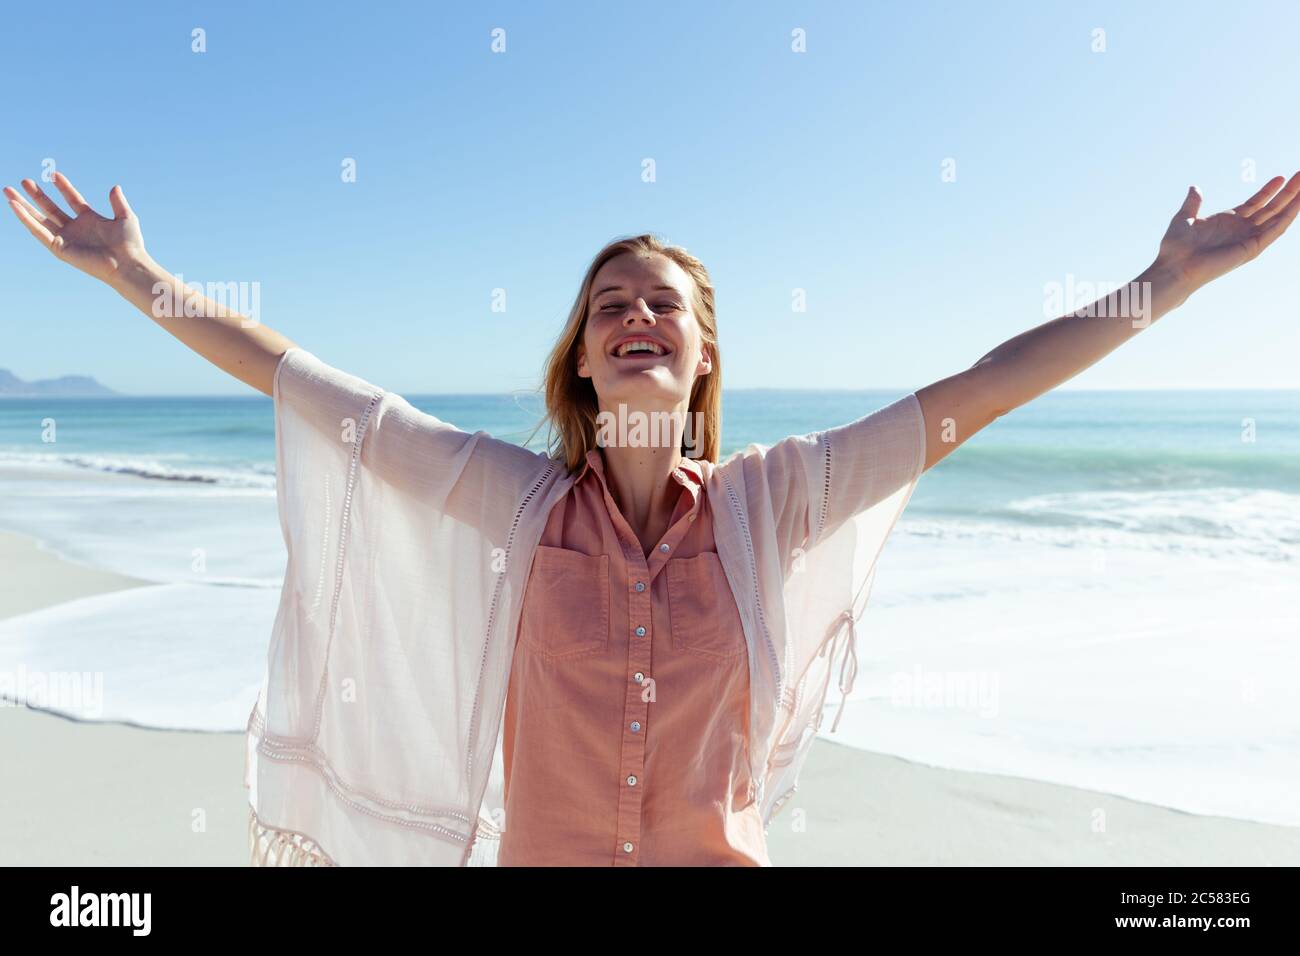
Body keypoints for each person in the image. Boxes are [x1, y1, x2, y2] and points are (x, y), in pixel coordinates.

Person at [6, 170, 1298, 866]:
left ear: (700, 356)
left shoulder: (774, 499)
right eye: (611, 303)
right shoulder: (510, 509)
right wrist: (140, 279)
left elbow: (975, 396)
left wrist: (1158, 287)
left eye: (664, 305)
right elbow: (316, 393)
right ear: (579, 359)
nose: (637, 317)